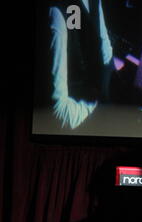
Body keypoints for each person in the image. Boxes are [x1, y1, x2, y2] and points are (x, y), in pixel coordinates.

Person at [39, 0, 114, 129]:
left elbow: (106, 55)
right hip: (81, 123)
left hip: (95, 102)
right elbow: (58, 114)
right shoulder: (57, 14)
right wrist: (98, 106)